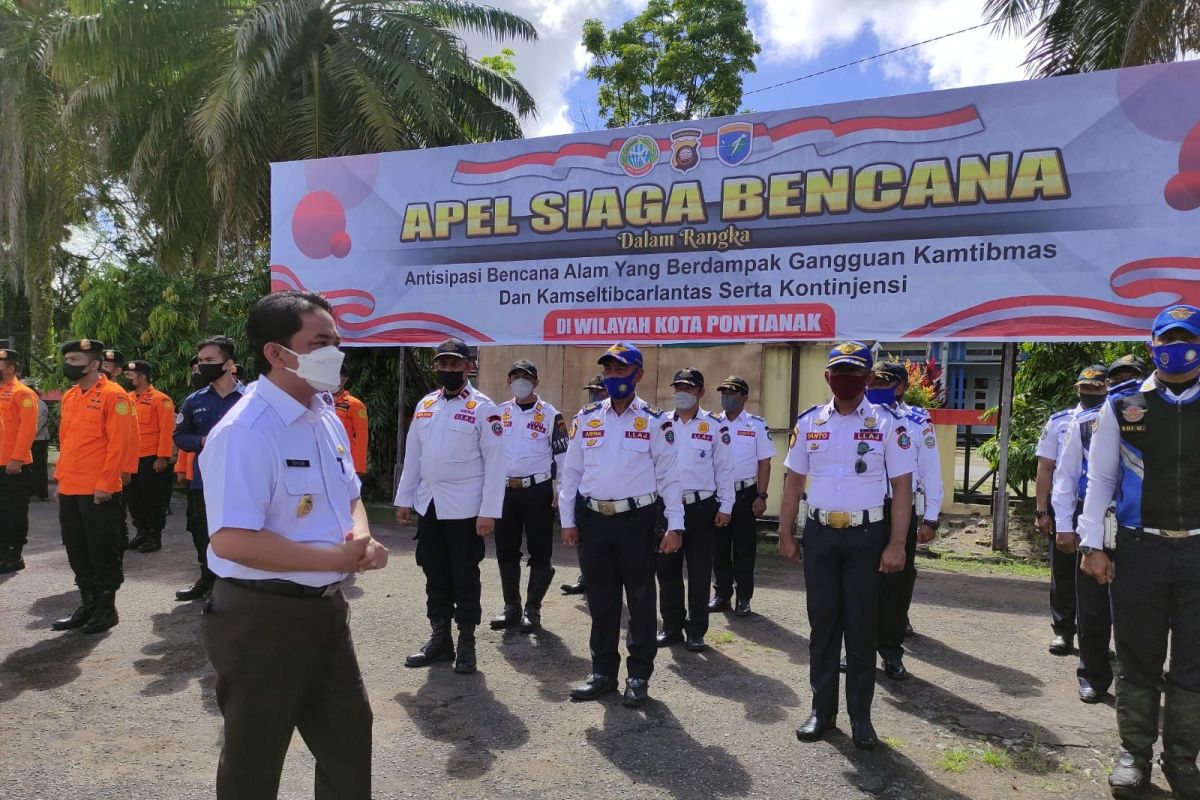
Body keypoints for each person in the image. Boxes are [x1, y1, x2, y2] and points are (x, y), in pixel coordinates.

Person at [200, 290, 387, 800]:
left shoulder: (324, 414)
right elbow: (234, 540)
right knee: (254, 763)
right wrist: (332, 558)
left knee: (349, 747)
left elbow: (351, 496)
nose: (336, 352)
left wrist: (360, 538)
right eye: (321, 341)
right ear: (277, 354)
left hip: (326, 614)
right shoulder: (245, 432)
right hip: (261, 620)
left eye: (337, 340)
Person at [1079, 304, 1200, 799]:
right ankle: (1134, 755)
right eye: (1166, 338)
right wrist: (1091, 543)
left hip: (1198, 552)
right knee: (1137, 657)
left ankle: (1184, 760)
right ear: (1153, 346)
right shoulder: (1123, 404)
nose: (1175, 346)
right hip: (1138, 549)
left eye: (1184, 337)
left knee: (1194, 662)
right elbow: (1102, 477)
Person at [777, 342, 914, 750]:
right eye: (839, 371)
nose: (846, 378)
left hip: (866, 538)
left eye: (855, 372)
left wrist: (897, 543)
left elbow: (903, 488)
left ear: (869, 378)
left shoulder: (888, 424)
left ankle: (861, 718)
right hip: (820, 536)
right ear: (827, 377)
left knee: (860, 629)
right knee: (822, 627)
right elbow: (794, 482)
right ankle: (822, 710)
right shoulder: (809, 423)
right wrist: (786, 532)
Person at [558, 343, 684, 708]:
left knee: (642, 600)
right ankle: (602, 673)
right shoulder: (587, 417)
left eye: (621, 370)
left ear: (638, 375)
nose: (614, 377)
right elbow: (572, 472)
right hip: (595, 520)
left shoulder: (656, 421)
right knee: (601, 600)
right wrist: (568, 520)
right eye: (609, 371)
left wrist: (674, 526)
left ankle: (639, 674)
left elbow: (669, 477)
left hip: (637, 521)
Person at [395, 338, 505, 675]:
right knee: (434, 572)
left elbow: (497, 462)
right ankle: (440, 639)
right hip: (430, 505)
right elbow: (413, 455)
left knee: (464, 575)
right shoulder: (426, 404)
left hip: (466, 508)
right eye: (442, 364)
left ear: (468, 366)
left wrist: (489, 511)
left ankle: (467, 642)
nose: (447, 370)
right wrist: (404, 499)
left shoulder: (484, 408)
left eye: (454, 364)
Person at [51, 339, 137, 634]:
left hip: (98, 489)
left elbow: (119, 445)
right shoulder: (71, 396)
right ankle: (87, 603)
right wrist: (60, 481)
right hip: (71, 486)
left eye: (75, 359)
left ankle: (106, 607)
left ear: (94, 364)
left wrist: (106, 483)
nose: (69, 364)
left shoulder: (116, 396)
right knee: (76, 547)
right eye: (68, 359)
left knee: (102, 548)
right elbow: (67, 442)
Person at [864, 361, 944, 680]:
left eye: (884, 381)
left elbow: (930, 469)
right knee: (861, 583)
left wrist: (931, 517)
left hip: (899, 510)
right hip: (864, 508)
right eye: (874, 380)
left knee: (895, 585)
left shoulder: (916, 420)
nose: (876, 386)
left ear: (900, 386)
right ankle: (858, 648)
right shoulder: (859, 414)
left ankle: (891, 652)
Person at [656, 367, 733, 652]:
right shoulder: (660, 423)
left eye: (689, 389)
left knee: (700, 571)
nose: (682, 394)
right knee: (666, 570)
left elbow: (724, 469)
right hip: (666, 508)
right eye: (678, 388)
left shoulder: (714, 425)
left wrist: (726, 506)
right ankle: (672, 626)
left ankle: (696, 630)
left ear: (701, 392)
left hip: (701, 508)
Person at [1050, 365, 1114, 704]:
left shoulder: (1153, 420)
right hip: (1092, 519)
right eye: (1116, 381)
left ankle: (1138, 675)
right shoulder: (1083, 424)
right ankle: (1093, 675)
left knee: (1139, 607)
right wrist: (1063, 524)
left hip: (1137, 525)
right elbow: (1066, 475)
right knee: (1091, 607)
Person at [490, 359, 568, 633]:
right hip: (506, 490)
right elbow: (492, 454)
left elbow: (562, 456)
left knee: (540, 550)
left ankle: (532, 609)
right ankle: (511, 607)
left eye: (526, 377)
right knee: (505, 549)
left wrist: (560, 492)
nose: (521, 381)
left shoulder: (550, 415)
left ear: (535, 382)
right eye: (516, 376)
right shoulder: (498, 413)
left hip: (538, 490)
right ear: (508, 381)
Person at [174, 336, 246, 601]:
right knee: (202, 531)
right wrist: (202, 441)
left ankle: (237, 586)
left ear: (228, 364)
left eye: (210, 361)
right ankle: (207, 579)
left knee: (241, 533)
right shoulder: (194, 400)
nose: (203, 366)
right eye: (201, 361)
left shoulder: (249, 399)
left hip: (242, 481)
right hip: (203, 481)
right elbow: (179, 436)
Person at [1035, 374, 1092, 656]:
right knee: (1065, 571)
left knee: (1100, 575)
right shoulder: (1060, 421)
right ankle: (1063, 631)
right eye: (1085, 387)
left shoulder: (1116, 419)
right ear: (1076, 388)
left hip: (1101, 509)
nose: (1090, 391)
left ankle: (1095, 636)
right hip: (1066, 507)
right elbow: (1046, 468)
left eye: (1096, 387)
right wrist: (1042, 511)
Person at [710, 375, 773, 617]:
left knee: (745, 549)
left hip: (746, 494)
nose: (727, 398)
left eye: (732, 393)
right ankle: (722, 594)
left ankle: (743, 597)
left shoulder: (756, 425)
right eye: (724, 393)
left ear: (744, 397)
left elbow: (765, 464)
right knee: (719, 548)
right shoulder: (713, 423)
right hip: (718, 494)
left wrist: (762, 495)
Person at [121, 360, 176, 553]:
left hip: (151, 459)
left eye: (129, 375)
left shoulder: (161, 400)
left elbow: (167, 431)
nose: (126, 378)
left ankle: (154, 536)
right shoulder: (126, 399)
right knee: (134, 499)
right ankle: (141, 532)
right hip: (130, 459)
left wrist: (162, 457)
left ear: (142, 377)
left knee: (152, 499)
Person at [561, 374, 608, 597]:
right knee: (583, 541)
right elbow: (573, 461)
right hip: (582, 492)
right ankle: (585, 577)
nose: (594, 395)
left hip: (604, 494)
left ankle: (599, 581)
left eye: (598, 391)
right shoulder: (585, 418)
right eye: (591, 391)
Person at [0, 349, 38, 573]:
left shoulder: (22, 393)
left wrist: (17, 458)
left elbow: (27, 429)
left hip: (13, 465)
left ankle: (14, 554)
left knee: (13, 511)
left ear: (11, 368)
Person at [333, 364, 369, 476]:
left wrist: (358, 468)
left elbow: (361, 437)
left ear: (344, 380)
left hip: (345, 461)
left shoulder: (355, 405)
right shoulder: (319, 402)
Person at [29, 381, 50, 501]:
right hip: (31, 439)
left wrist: (27, 436)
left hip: (38, 440)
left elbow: (40, 422)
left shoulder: (40, 403)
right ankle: (32, 491)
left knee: (38, 468)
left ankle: (40, 493)